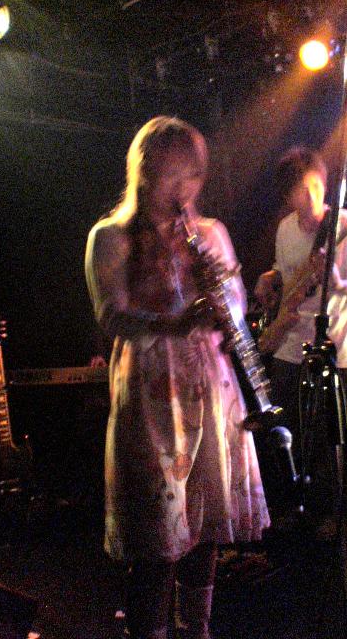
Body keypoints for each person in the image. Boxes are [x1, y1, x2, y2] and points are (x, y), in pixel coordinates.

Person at [85, 116, 269, 639]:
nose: (184, 189)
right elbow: (111, 316)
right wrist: (174, 321)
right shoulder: (110, 237)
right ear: (144, 175)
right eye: (173, 175)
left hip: (210, 389)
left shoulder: (210, 233)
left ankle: (197, 629)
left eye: (193, 176)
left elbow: (236, 308)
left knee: (205, 527)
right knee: (157, 542)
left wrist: (222, 295)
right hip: (151, 398)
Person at [255, 146, 347, 534]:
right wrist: (270, 278)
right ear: (288, 196)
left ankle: (334, 513)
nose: (313, 197)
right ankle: (290, 506)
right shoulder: (285, 228)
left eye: (317, 187)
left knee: (333, 434)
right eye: (303, 191)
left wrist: (340, 283)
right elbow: (286, 270)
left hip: (334, 347)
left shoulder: (345, 223)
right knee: (285, 430)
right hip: (289, 342)